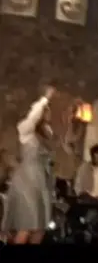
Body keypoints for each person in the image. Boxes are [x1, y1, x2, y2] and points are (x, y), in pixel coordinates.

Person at [2, 86, 55, 244]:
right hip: (26, 181)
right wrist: (45, 99)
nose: (49, 112)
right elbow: (33, 117)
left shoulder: (45, 133)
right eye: (46, 110)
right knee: (26, 226)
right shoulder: (25, 130)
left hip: (41, 182)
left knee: (39, 229)